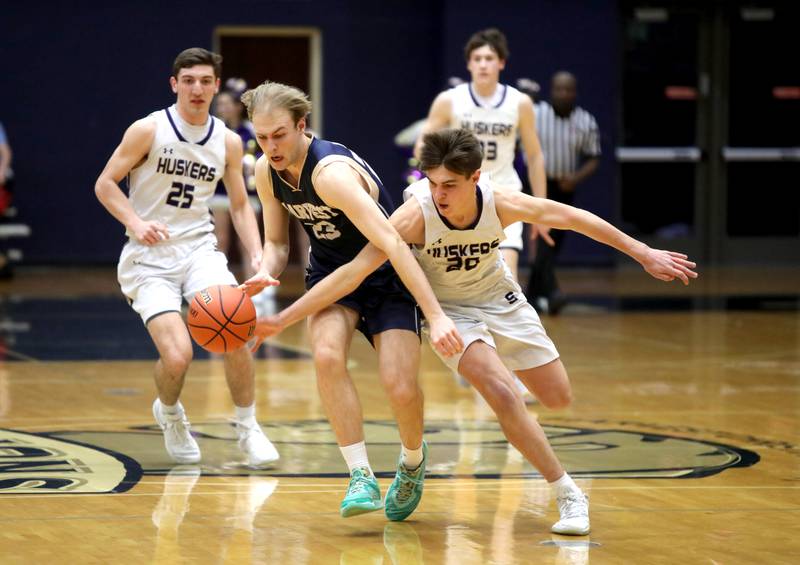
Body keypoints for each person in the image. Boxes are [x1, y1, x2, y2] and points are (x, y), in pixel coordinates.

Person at [252, 128, 698, 535]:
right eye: (432, 183)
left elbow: (575, 217)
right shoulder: (413, 217)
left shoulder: (501, 202)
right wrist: (284, 318)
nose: (439, 194)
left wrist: (643, 253)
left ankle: (508, 390)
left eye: (450, 185)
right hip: (448, 310)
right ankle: (568, 494)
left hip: (499, 297)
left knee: (557, 396)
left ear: (475, 178)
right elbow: (352, 273)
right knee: (501, 393)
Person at [237, 81, 463, 520]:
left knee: (399, 386)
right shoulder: (266, 170)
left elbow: (394, 248)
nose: (271, 146)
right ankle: (360, 474)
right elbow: (277, 241)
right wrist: (267, 269)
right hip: (330, 275)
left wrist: (435, 316)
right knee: (325, 356)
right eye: (262, 137)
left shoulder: (331, 176)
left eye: (279, 134)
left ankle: (413, 463)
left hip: (387, 274)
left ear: (302, 125)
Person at [94, 48, 279, 468]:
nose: (198, 88)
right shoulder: (148, 129)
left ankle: (248, 427)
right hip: (148, 255)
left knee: (236, 331)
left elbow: (238, 204)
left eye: (206, 81)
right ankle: (170, 413)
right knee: (179, 355)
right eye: (189, 80)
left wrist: (256, 254)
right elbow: (105, 184)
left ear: (216, 86)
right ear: (174, 84)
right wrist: (136, 223)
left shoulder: (228, 140)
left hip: (198, 249)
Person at [414, 28, 553, 283]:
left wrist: (540, 209)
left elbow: (534, 157)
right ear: (469, 64)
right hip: (462, 196)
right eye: (477, 59)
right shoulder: (449, 100)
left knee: (506, 280)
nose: (483, 65)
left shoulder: (520, 103)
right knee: (459, 282)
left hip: (504, 193)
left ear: (501, 62)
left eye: (489, 59)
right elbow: (422, 146)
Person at [527, 71, 602, 314]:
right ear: (552, 90)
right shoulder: (537, 115)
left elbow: (593, 157)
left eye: (568, 89)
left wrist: (577, 178)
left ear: (575, 92)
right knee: (545, 240)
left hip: (565, 186)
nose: (563, 93)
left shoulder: (585, 121)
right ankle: (553, 293)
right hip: (539, 185)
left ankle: (530, 297)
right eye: (559, 89)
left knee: (553, 244)